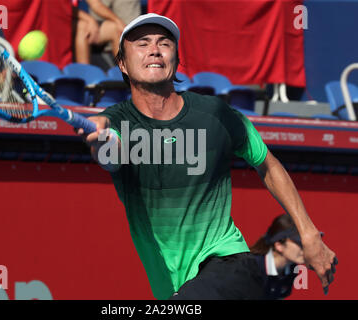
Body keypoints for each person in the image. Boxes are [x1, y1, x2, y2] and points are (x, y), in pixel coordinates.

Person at [76, 13, 338, 300]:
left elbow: (267, 164)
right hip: (172, 286)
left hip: (228, 264)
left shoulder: (215, 114)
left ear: (174, 58)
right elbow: (109, 153)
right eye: (142, 43)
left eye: (164, 43)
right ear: (122, 64)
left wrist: (308, 232)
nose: (155, 49)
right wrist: (101, 138)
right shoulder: (116, 121)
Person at [250, 213, 324, 299]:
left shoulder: (291, 271)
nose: (306, 248)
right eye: (299, 242)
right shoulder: (249, 267)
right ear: (279, 245)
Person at [73, 0, 126, 64]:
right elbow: (65, 9)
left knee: (115, 29)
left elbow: (96, 5)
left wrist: (118, 21)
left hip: (79, 21)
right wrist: (89, 20)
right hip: (65, 23)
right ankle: (84, 72)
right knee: (82, 27)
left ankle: (124, 71)